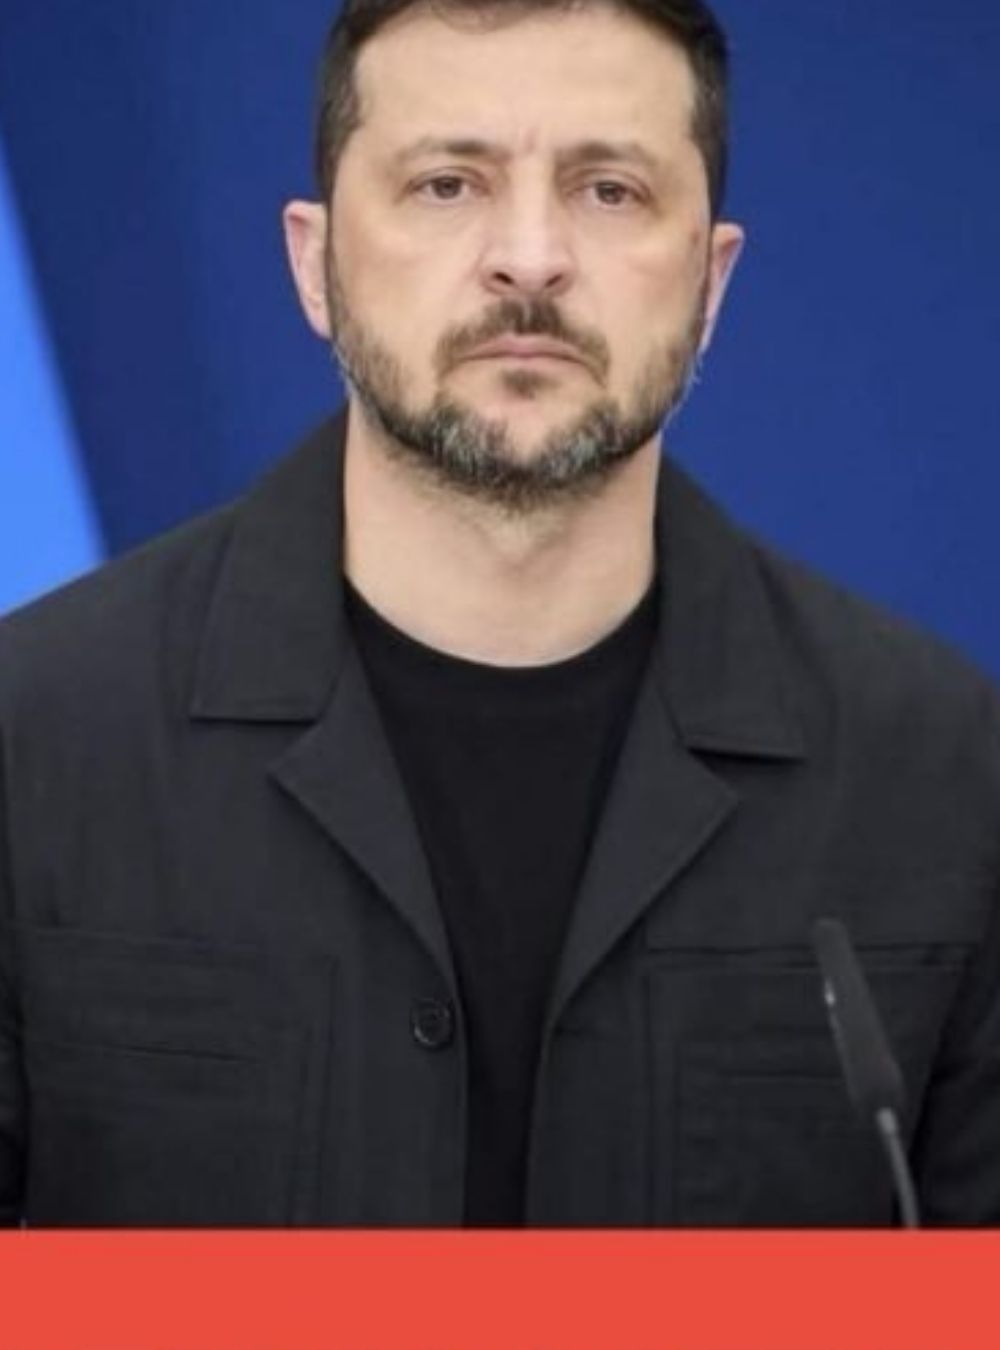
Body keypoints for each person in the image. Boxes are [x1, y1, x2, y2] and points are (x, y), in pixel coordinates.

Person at [1, 0, 999, 1229]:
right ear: (313, 264)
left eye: (609, 191)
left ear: (711, 280)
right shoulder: (33, 741)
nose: (529, 258)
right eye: (446, 185)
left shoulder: (948, 775)